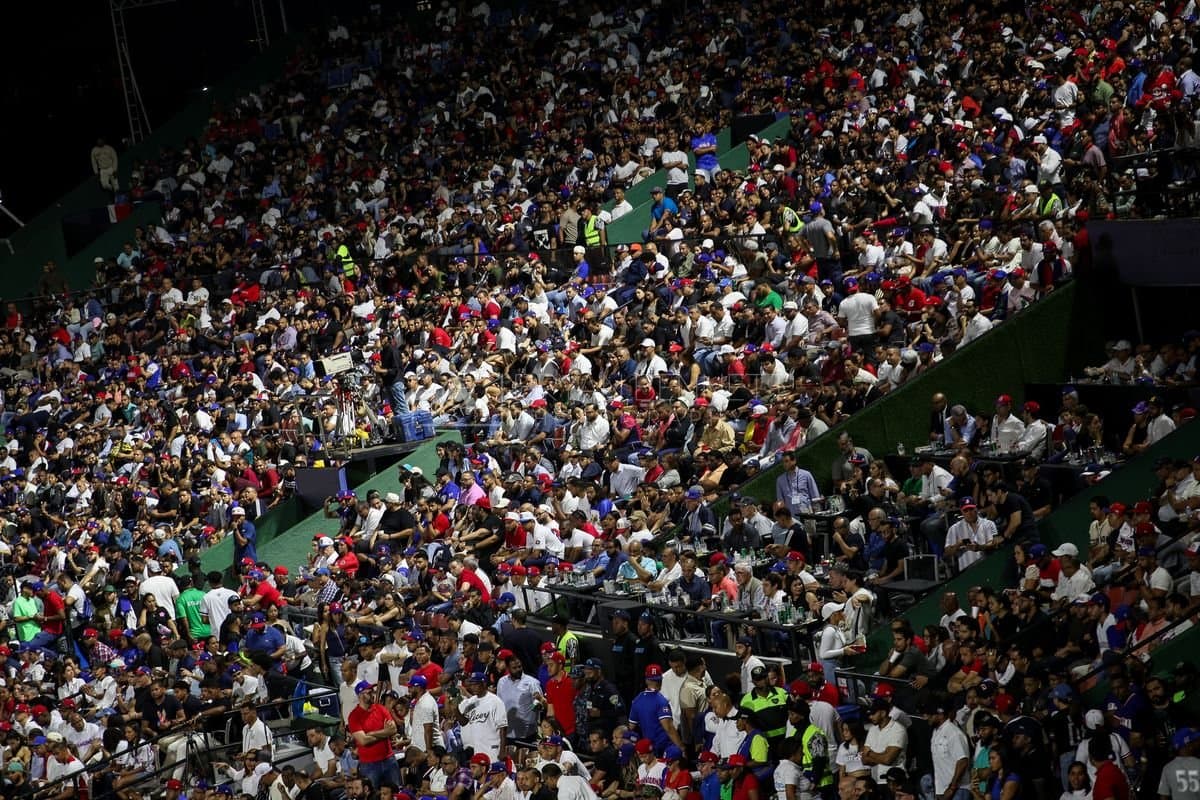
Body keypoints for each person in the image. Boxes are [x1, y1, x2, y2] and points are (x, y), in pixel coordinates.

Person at [347, 681, 399, 789]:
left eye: (372, 692)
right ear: (361, 695)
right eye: (369, 692)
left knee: (396, 791)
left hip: (388, 759)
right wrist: (384, 732)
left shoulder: (380, 708)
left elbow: (393, 729)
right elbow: (364, 741)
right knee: (373, 795)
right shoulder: (354, 716)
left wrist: (372, 733)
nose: (373, 694)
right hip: (369, 764)